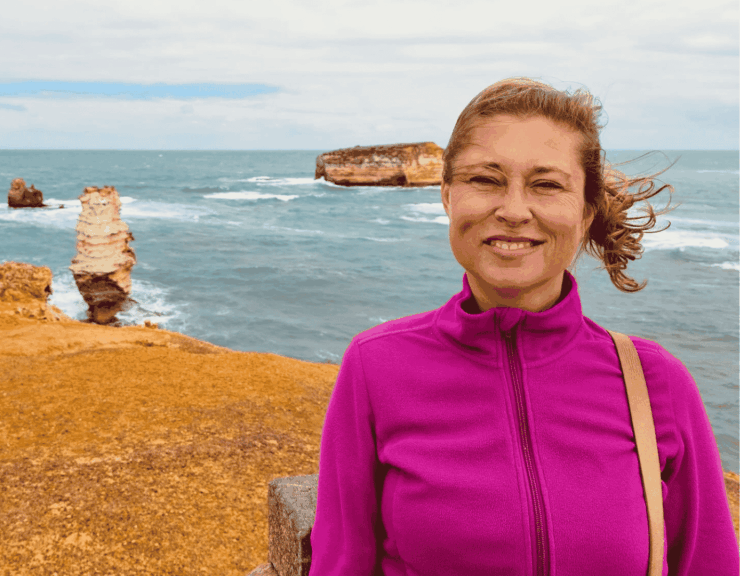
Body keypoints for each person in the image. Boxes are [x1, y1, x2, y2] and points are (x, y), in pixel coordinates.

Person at [309, 77, 739, 575]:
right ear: (447, 196)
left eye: (547, 184)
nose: (513, 210)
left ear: (586, 209)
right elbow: (341, 563)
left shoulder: (655, 383)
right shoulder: (375, 366)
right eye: (485, 180)